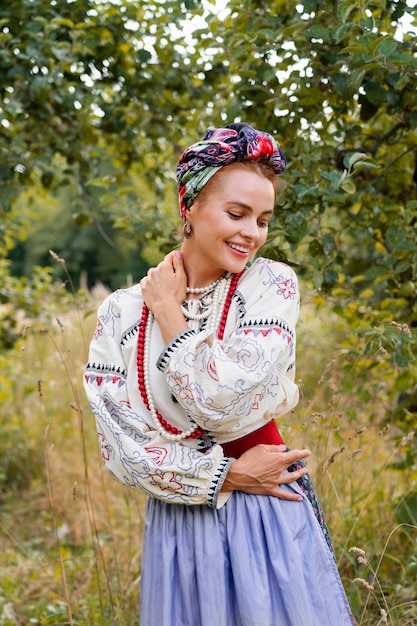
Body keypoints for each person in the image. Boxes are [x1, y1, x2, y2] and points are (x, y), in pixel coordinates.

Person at [84, 122, 356, 626]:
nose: (251, 233)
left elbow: (219, 399)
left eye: (263, 219)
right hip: (178, 519)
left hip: (266, 508)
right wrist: (225, 475)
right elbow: (119, 445)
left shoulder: (271, 286)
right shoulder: (120, 313)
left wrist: (171, 316)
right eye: (236, 213)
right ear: (189, 208)